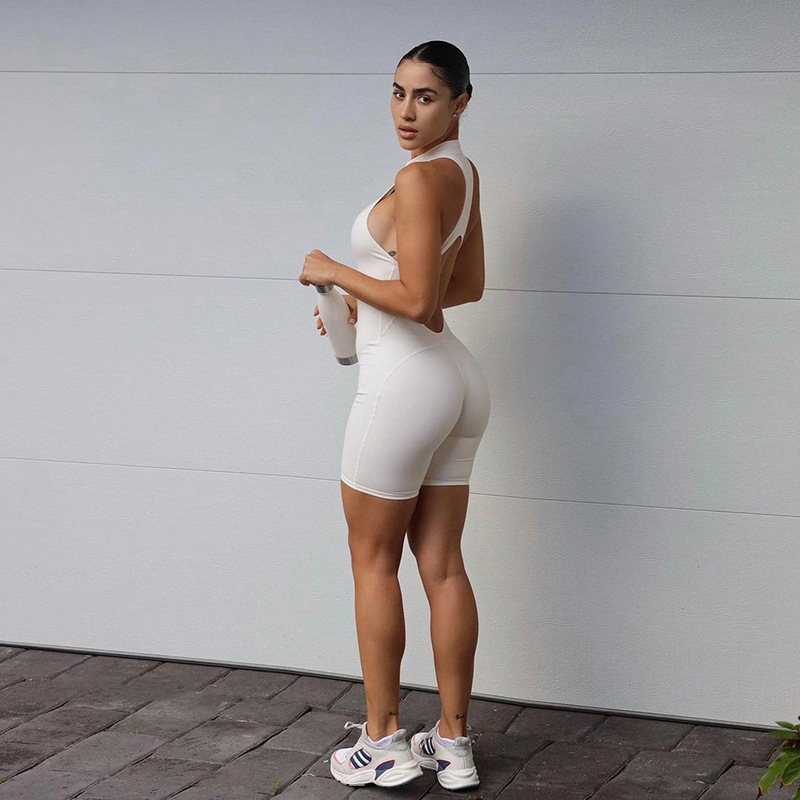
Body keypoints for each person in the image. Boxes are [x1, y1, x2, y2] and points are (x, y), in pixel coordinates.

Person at [299, 40, 490, 790]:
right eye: (398, 92)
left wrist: (335, 272)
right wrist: (365, 299)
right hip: (457, 381)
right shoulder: (463, 172)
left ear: (461, 103)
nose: (407, 112)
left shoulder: (416, 178)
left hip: (406, 383)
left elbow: (419, 302)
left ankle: (381, 741)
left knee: (373, 560)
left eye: (427, 97)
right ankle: (453, 742)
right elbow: (463, 286)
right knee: (442, 565)